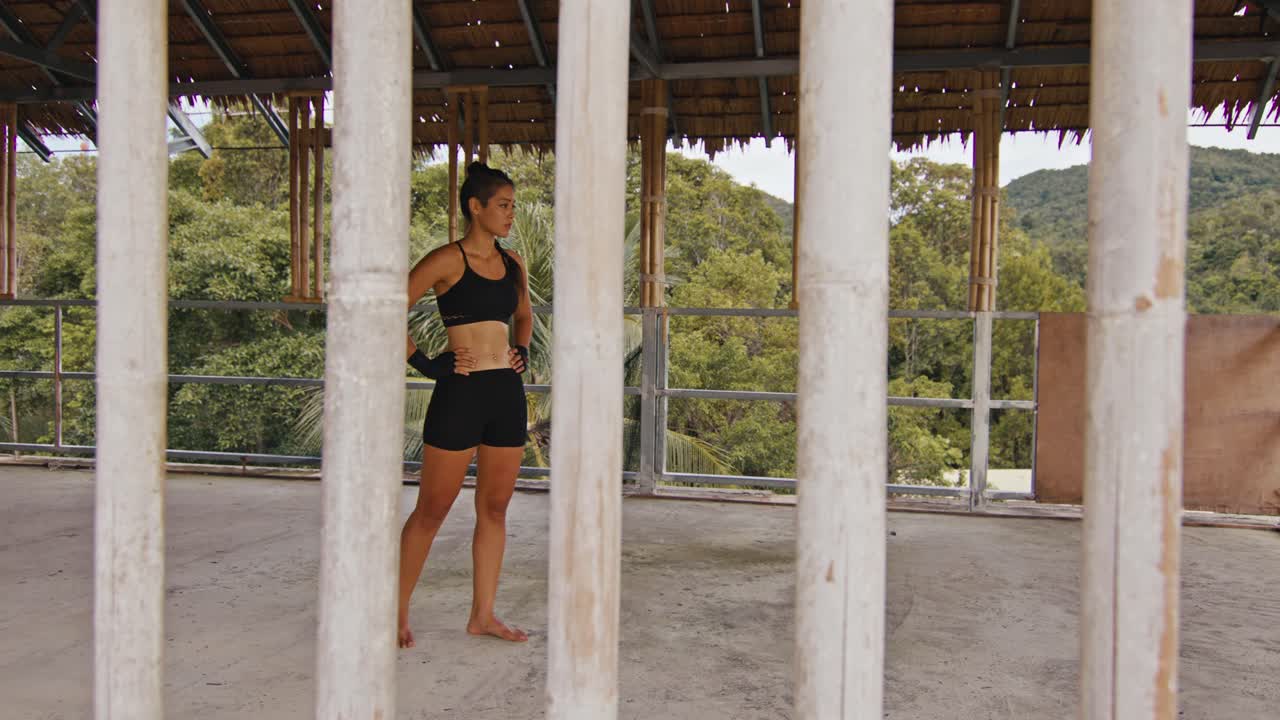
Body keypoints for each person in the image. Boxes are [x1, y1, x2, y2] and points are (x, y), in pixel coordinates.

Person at [397, 162, 532, 648]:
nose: (510, 214)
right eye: (503, 205)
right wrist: (426, 364)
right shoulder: (446, 260)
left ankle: (483, 615)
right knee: (432, 510)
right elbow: (386, 308)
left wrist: (523, 350)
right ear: (476, 207)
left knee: (494, 509)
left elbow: (523, 316)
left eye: (513, 206)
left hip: (506, 396)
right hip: (461, 393)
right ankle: (394, 611)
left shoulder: (513, 263)